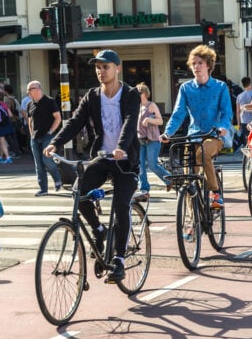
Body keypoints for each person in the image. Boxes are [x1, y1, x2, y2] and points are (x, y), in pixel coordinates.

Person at [44, 49, 140, 282]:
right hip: (101, 158)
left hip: (125, 161)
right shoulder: (92, 96)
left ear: (117, 68)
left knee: (120, 205)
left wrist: (121, 147)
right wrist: (56, 142)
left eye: (105, 66)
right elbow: (76, 121)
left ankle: (119, 259)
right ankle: (98, 229)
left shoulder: (130, 94)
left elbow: (129, 122)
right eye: (97, 67)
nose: (100, 71)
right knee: (79, 192)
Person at [161, 44, 233, 209]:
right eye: (193, 63)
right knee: (188, 178)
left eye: (200, 63)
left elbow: (226, 113)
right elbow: (178, 114)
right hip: (193, 136)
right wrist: (167, 133)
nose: (196, 66)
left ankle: (215, 193)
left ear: (208, 65)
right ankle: (192, 221)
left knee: (203, 153)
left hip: (214, 136)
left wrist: (223, 127)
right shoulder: (186, 88)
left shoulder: (220, 87)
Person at [27, 81, 62, 196]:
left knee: (47, 160)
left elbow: (58, 118)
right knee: (39, 164)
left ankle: (57, 179)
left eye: (30, 89)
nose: (28, 92)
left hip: (47, 135)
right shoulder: (30, 104)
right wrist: (31, 133)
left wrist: (51, 131)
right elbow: (30, 119)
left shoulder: (50, 101)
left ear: (37, 89)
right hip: (35, 137)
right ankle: (43, 188)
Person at [136, 82, 171, 195]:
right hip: (140, 140)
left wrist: (149, 120)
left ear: (145, 93)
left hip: (153, 140)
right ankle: (144, 189)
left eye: (139, 92)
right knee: (140, 166)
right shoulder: (137, 107)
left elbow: (160, 121)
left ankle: (170, 179)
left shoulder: (151, 105)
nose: (137, 94)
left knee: (152, 165)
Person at [0, 91, 15, 164]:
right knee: (2, 141)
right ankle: (0, 157)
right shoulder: (4, 104)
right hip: (6, 124)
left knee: (2, 141)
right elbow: (10, 115)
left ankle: (8, 157)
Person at [234, 76, 252, 151]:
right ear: (250, 83)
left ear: (242, 85)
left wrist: (238, 124)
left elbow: (238, 111)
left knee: (246, 139)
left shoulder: (239, 96)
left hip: (243, 120)